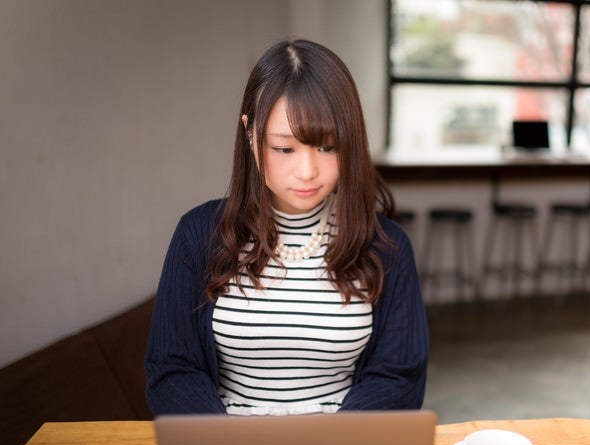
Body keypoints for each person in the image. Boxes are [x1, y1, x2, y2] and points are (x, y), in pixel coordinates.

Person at [144, 39, 428, 416]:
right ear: (249, 133)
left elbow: (398, 377)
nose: (308, 171)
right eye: (284, 148)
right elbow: (172, 368)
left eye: (327, 147)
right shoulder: (198, 236)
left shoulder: (386, 247)